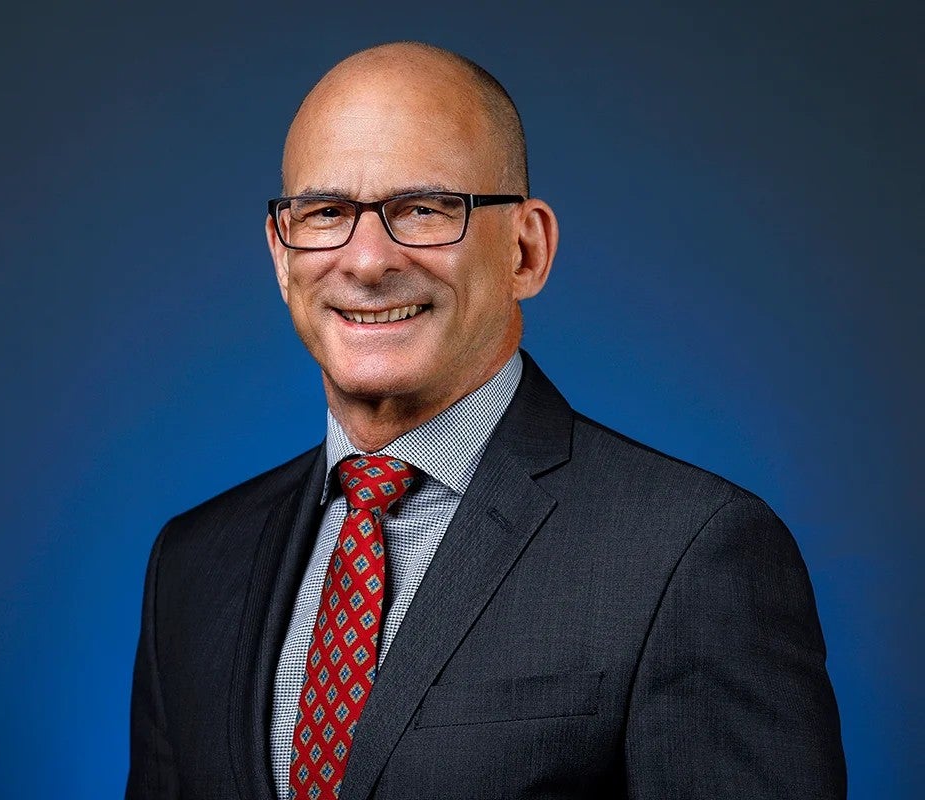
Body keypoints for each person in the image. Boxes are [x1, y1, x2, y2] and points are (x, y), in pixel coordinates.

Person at [126, 41, 845, 800]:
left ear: (525, 251)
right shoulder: (193, 565)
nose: (367, 260)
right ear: (282, 252)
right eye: (327, 212)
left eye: (424, 209)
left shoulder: (691, 554)